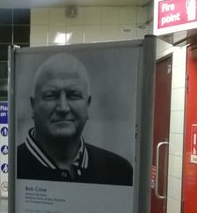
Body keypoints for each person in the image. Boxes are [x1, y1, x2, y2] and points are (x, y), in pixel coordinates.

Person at [17, 53, 133, 185]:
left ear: (88, 104)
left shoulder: (119, 172)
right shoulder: (13, 167)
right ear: (33, 105)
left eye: (74, 95)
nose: (63, 107)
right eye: (51, 95)